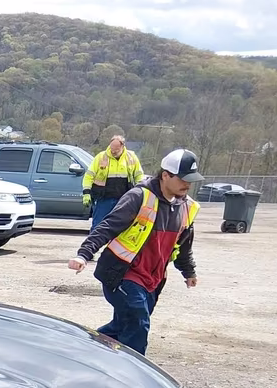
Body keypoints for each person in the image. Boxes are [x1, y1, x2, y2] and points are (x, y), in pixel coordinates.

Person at [68, 148, 202, 356]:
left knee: (122, 327)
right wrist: (84, 254)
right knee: (138, 324)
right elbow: (107, 226)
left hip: (153, 280)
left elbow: (183, 245)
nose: (188, 184)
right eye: (183, 179)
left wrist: (188, 271)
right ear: (165, 175)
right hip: (123, 274)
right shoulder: (139, 197)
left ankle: (77, 350)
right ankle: (135, 372)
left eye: (191, 180)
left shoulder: (187, 207)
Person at [82, 134, 145, 228]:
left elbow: (139, 175)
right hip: (103, 199)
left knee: (121, 226)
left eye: (116, 150)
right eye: (112, 149)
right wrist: (86, 193)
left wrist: (140, 192)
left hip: (124, 199)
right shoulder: (101, 157)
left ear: (123, 147)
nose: (113, 152)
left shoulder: (131, 157)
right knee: (99, 225)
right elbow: (89, 176)